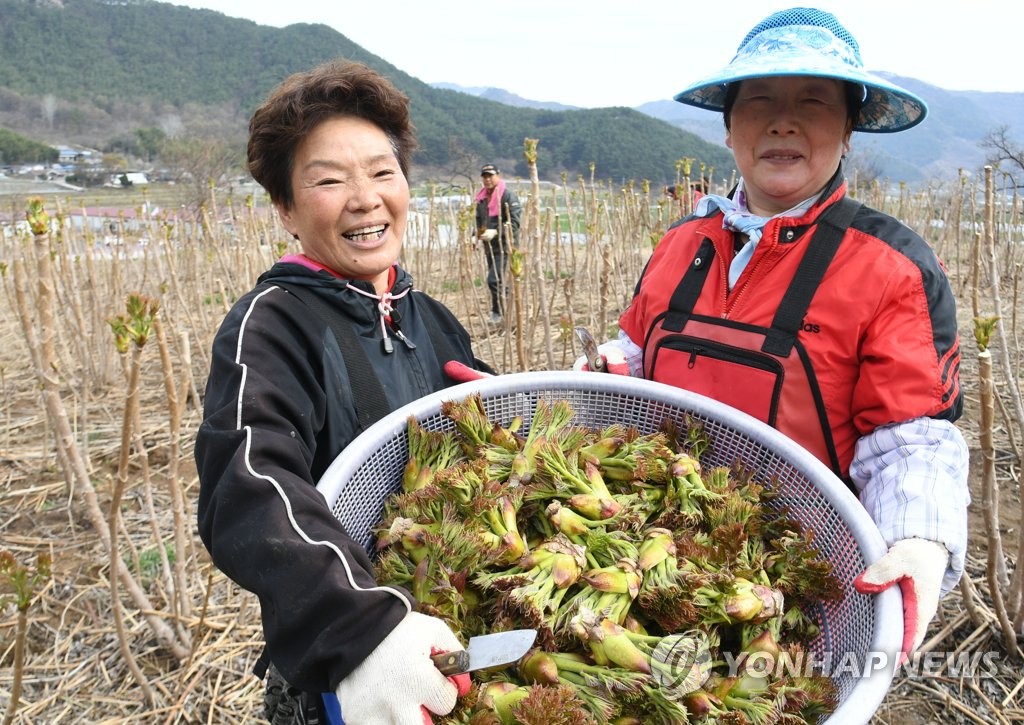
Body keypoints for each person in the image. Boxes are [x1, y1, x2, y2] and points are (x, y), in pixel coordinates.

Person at [575, 7, 969, 664]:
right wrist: (609, 367)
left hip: (800, 590)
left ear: (848, 130)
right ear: (730, 129)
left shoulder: (890, 267)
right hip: (654, 562)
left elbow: (913, 444)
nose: (783, 120)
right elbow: (638, 355)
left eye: (813, 101)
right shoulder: (680, 243)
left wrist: (919, 543)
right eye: (759, 100)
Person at [194, 60, 493, 724]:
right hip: (354, 663)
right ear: (286, 209)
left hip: (454, 626)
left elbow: (488, 435)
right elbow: (247, 483)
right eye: (329, 180)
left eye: (382, 172)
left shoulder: (432, 319)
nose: (365, 198)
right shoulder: (270, 325)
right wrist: (364, 627)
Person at [474, 163, 522, 324]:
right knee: (499, 282)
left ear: (498, 175)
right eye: (484, 176)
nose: (487, 179)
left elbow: (514, 223)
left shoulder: (507, 197)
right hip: (489, 247)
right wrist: (475, 236)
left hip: (505, 247)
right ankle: (503, 313)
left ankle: (499, 312)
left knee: (494, 280)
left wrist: (496, 232)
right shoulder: (481, 199)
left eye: (490, 175)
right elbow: (479, 222)